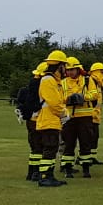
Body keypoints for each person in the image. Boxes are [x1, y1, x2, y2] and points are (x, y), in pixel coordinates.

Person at [34, 50, 69, 187]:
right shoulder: (48, 80)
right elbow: (54, 103)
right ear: (59, 65)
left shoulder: (52, 80)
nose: (65, 69)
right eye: (64, 66)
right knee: (49, 149)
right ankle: (45, 177)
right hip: (49, 120)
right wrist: (64, 114)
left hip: (51, 120)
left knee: (52, 149)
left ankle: (48, 176)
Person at [60, 57, 99, 178]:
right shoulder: (63, 82)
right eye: (68, 70)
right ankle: (68, 169)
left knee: (85, 143)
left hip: (85, 117)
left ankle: (86, 169)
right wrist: (69, 99)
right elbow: (59, 98)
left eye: (73, 70)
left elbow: (94, 94)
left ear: (78, 69)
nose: (70, 72)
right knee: (69, 144)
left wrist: (82, 97)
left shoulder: (87, 80)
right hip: (69, 118)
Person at [16, 64, 46, 181]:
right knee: (39, 148)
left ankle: (31, 172)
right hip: (37, 120)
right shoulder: (40, 86)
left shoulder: (31, 86)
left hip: (31, 120)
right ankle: (36, 173)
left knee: (35, 149)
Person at [87, 62, 103, 164]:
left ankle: (92, 156)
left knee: (95, 137)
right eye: (102, 72)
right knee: (88, 137)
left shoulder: (97, 84)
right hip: (89, 115)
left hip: (95, 116)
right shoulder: (90, 82)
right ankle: (86, 157)